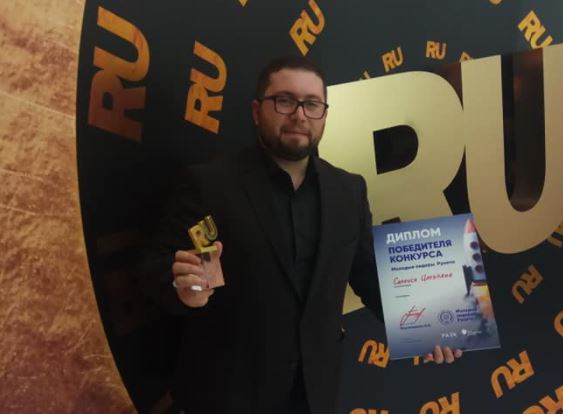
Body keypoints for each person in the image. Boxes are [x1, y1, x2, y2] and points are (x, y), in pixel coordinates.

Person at [143, 56, 462, 414]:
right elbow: (156, 267)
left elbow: (367, 272)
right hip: (226, 394)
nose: (299, 115)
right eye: (284, 101)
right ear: (257, 111)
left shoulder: (349, 190)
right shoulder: (209, 184)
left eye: (312, 104)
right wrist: (184, 288)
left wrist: (430, 324)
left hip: (313, 394)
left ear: (324, 114)